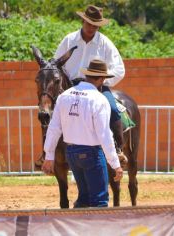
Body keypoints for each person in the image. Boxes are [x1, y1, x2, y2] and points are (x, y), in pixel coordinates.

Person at [42, 59, 123, 208]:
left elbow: (53, 128)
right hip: (92, 153)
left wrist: (49, 155)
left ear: (87, 76)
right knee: (99, 200)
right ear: (102, 79)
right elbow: (104, 134)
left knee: (84, 198)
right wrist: (115, 163)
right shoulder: (99, 99)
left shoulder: (64, 96)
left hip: (71, 152)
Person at [54, 5, 127, 166]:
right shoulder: (69, 40)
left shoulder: (105, 43)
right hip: (71, 86)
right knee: (51, 111)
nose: (92, 28)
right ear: (83, 20)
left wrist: (101, 81)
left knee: (113, 109)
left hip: (98, 86)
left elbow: (120, 69)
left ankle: (118, 149)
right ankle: (48, 152)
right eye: (89, 24)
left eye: (95, 25)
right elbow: (56, 63)